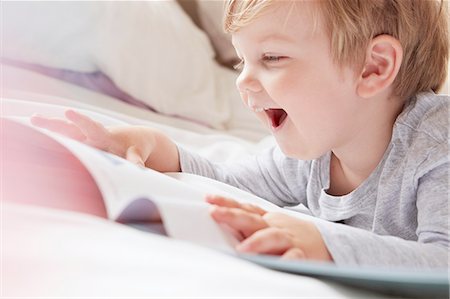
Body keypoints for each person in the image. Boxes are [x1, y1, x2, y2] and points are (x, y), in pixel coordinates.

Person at [32, 0, 449, 268]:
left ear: (373, 68)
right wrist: (154, 145)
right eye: (241, 62)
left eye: (272, 57)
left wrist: (326, 244)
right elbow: (229, 180)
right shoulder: (314, 153)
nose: (244, 82)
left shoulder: (436, 145)